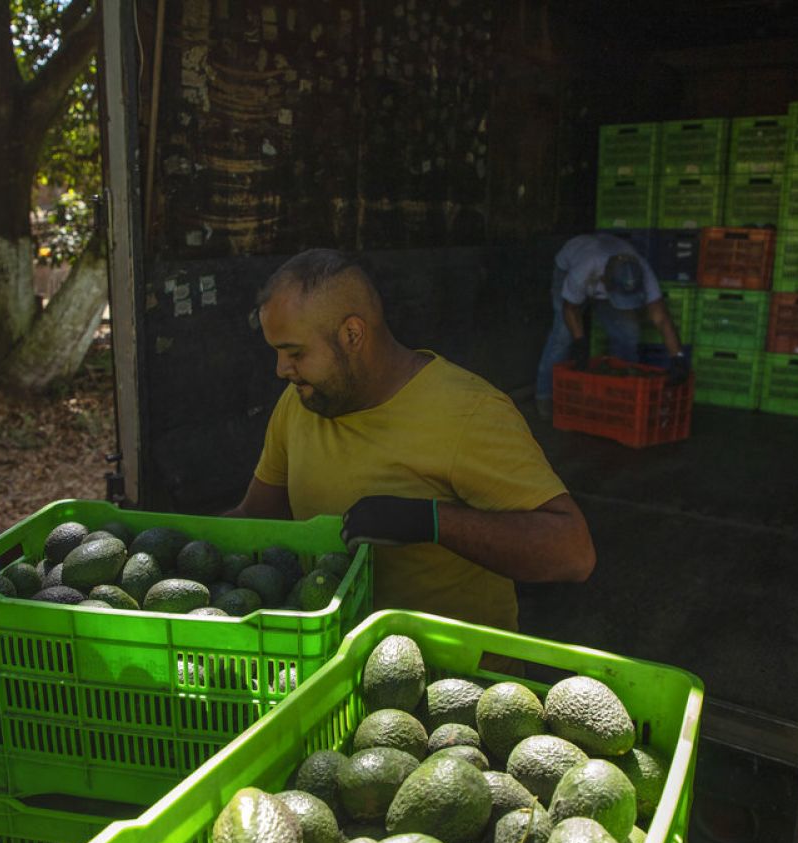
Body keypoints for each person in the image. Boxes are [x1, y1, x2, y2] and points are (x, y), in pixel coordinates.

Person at [227, 248, 595, 636]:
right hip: (333, 662)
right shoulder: (300, 403)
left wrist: (432, 521)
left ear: (352, 334)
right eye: (277, 352)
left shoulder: (468, 412)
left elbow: (573, 553)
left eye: (294, 352)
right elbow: (255, 516)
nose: (281, 369)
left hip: (451, 683)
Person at [534, 233, 689, 421]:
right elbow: (570, 309)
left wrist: (678, 357)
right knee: (563, 335)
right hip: (568, 268)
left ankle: (622, 394)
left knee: (628, 333)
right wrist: (580, 342)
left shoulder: (642, 271)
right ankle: (544, 395)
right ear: (605, 282)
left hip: (605, 274)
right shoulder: (584, 269)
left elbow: (661, 318)